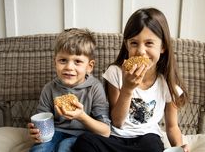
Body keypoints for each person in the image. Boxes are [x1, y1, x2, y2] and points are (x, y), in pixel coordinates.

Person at [72, 8, 190, 152]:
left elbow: (172, 127)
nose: (140, 51)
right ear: (127, 44)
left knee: (152, 146)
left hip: (147, 139)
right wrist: (127, 89)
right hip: (115, 138)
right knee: (85, 141)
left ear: (163, 47)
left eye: (149, 43)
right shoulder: (115, 72)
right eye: (134, 43)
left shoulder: (167, 83)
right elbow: (117, 122)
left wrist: (179, 147)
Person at [28, 28, 111, 152]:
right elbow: (43, 119)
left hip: (84, 135)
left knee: (65, 147)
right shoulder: (49, 89)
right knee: (39, 149)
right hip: (56, 132)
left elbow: (105, 131)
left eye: (77, 61)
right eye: (63, 60)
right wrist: (36, 131)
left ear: (89, 66)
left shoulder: (95, 88)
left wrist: (82, 116)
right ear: (55, 62)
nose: (69, 67)